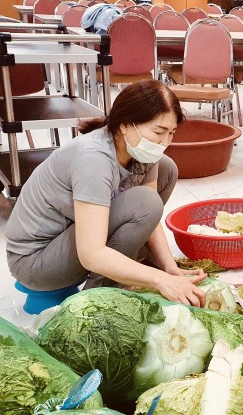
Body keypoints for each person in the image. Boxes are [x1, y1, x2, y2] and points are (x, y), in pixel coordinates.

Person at [6, 80, 207, 307]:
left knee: (167, 169)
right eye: (158, 132)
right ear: (124, 124)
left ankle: (131, 269)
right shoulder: (94, 159)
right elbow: (91, 253)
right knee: (145, 202)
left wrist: (169, 269)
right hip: (36, 260)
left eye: (171, 133)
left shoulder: (141, 149)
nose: (165, 142)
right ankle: (100, 298)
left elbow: (152, 220)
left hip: (71, 240)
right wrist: (160, 281)